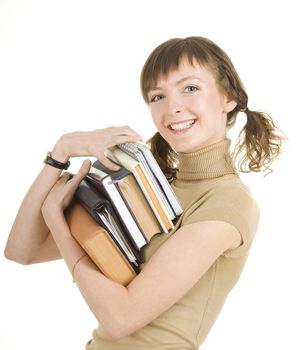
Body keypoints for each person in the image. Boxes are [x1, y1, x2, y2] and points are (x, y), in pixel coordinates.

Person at [4, 36, 284, 349]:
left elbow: (119, 319)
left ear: (228, 97)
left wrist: (58, 222)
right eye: (157, 96)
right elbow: (22, 250)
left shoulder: (229, 201)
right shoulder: (149, 185)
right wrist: (61, 151)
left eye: (190, 88)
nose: (173, 107)